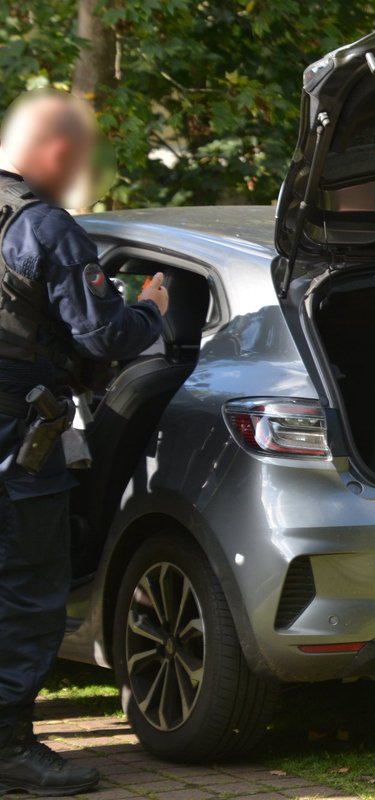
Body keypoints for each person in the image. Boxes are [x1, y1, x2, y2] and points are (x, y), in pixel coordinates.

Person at [0, 89, 167, 795]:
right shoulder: (44, 229)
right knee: (28, 592)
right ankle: (10, 749)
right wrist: (150, 311)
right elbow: (104, 336)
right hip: (14, 443)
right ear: (59, 152)